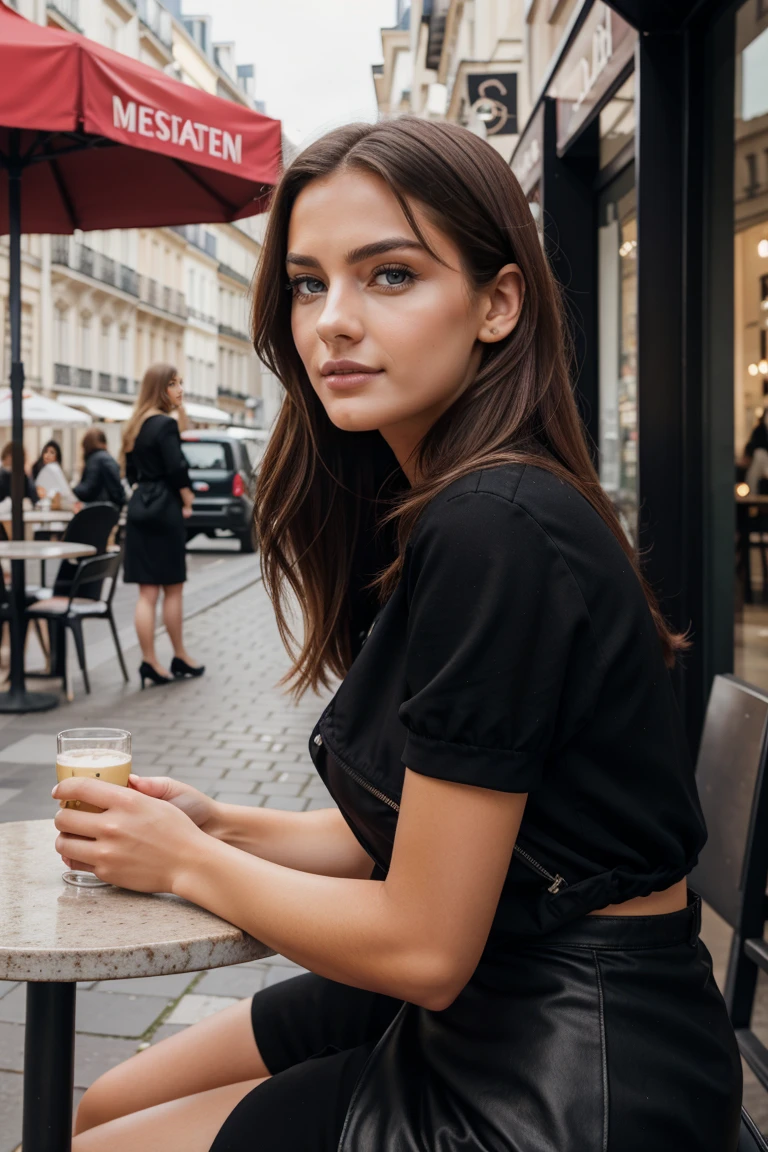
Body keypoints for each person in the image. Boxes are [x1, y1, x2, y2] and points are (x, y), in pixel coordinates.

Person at [53, 119, 742, 1152]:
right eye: (306, 282)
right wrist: (217, 822)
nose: (331, 322)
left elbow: (423, 942)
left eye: (389, 275)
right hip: (511, 979)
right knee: (105, 1105)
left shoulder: (494, 522)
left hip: (565, 1059)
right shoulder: (448, 504)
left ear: (498, 303)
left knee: (103, 1143)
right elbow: (430, 842)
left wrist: (184, 863)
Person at [121, 364, 204, 688]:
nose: (180, 389)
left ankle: (149, 661)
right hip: (165, 506)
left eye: (181, 382)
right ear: (160, 388)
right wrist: (187, 500)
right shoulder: (164, 424)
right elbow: (176, 467)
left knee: (146, 593)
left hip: (140, 506)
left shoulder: (135, 425)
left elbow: (129, 474)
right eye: (173, 384)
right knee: (173, 588)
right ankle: (179, 654)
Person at [73, 429, 125, 510]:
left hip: (99, 510)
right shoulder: (108, 458)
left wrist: (72, 491)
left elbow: (87, 489)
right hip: (112, 509)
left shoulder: (94, 460)